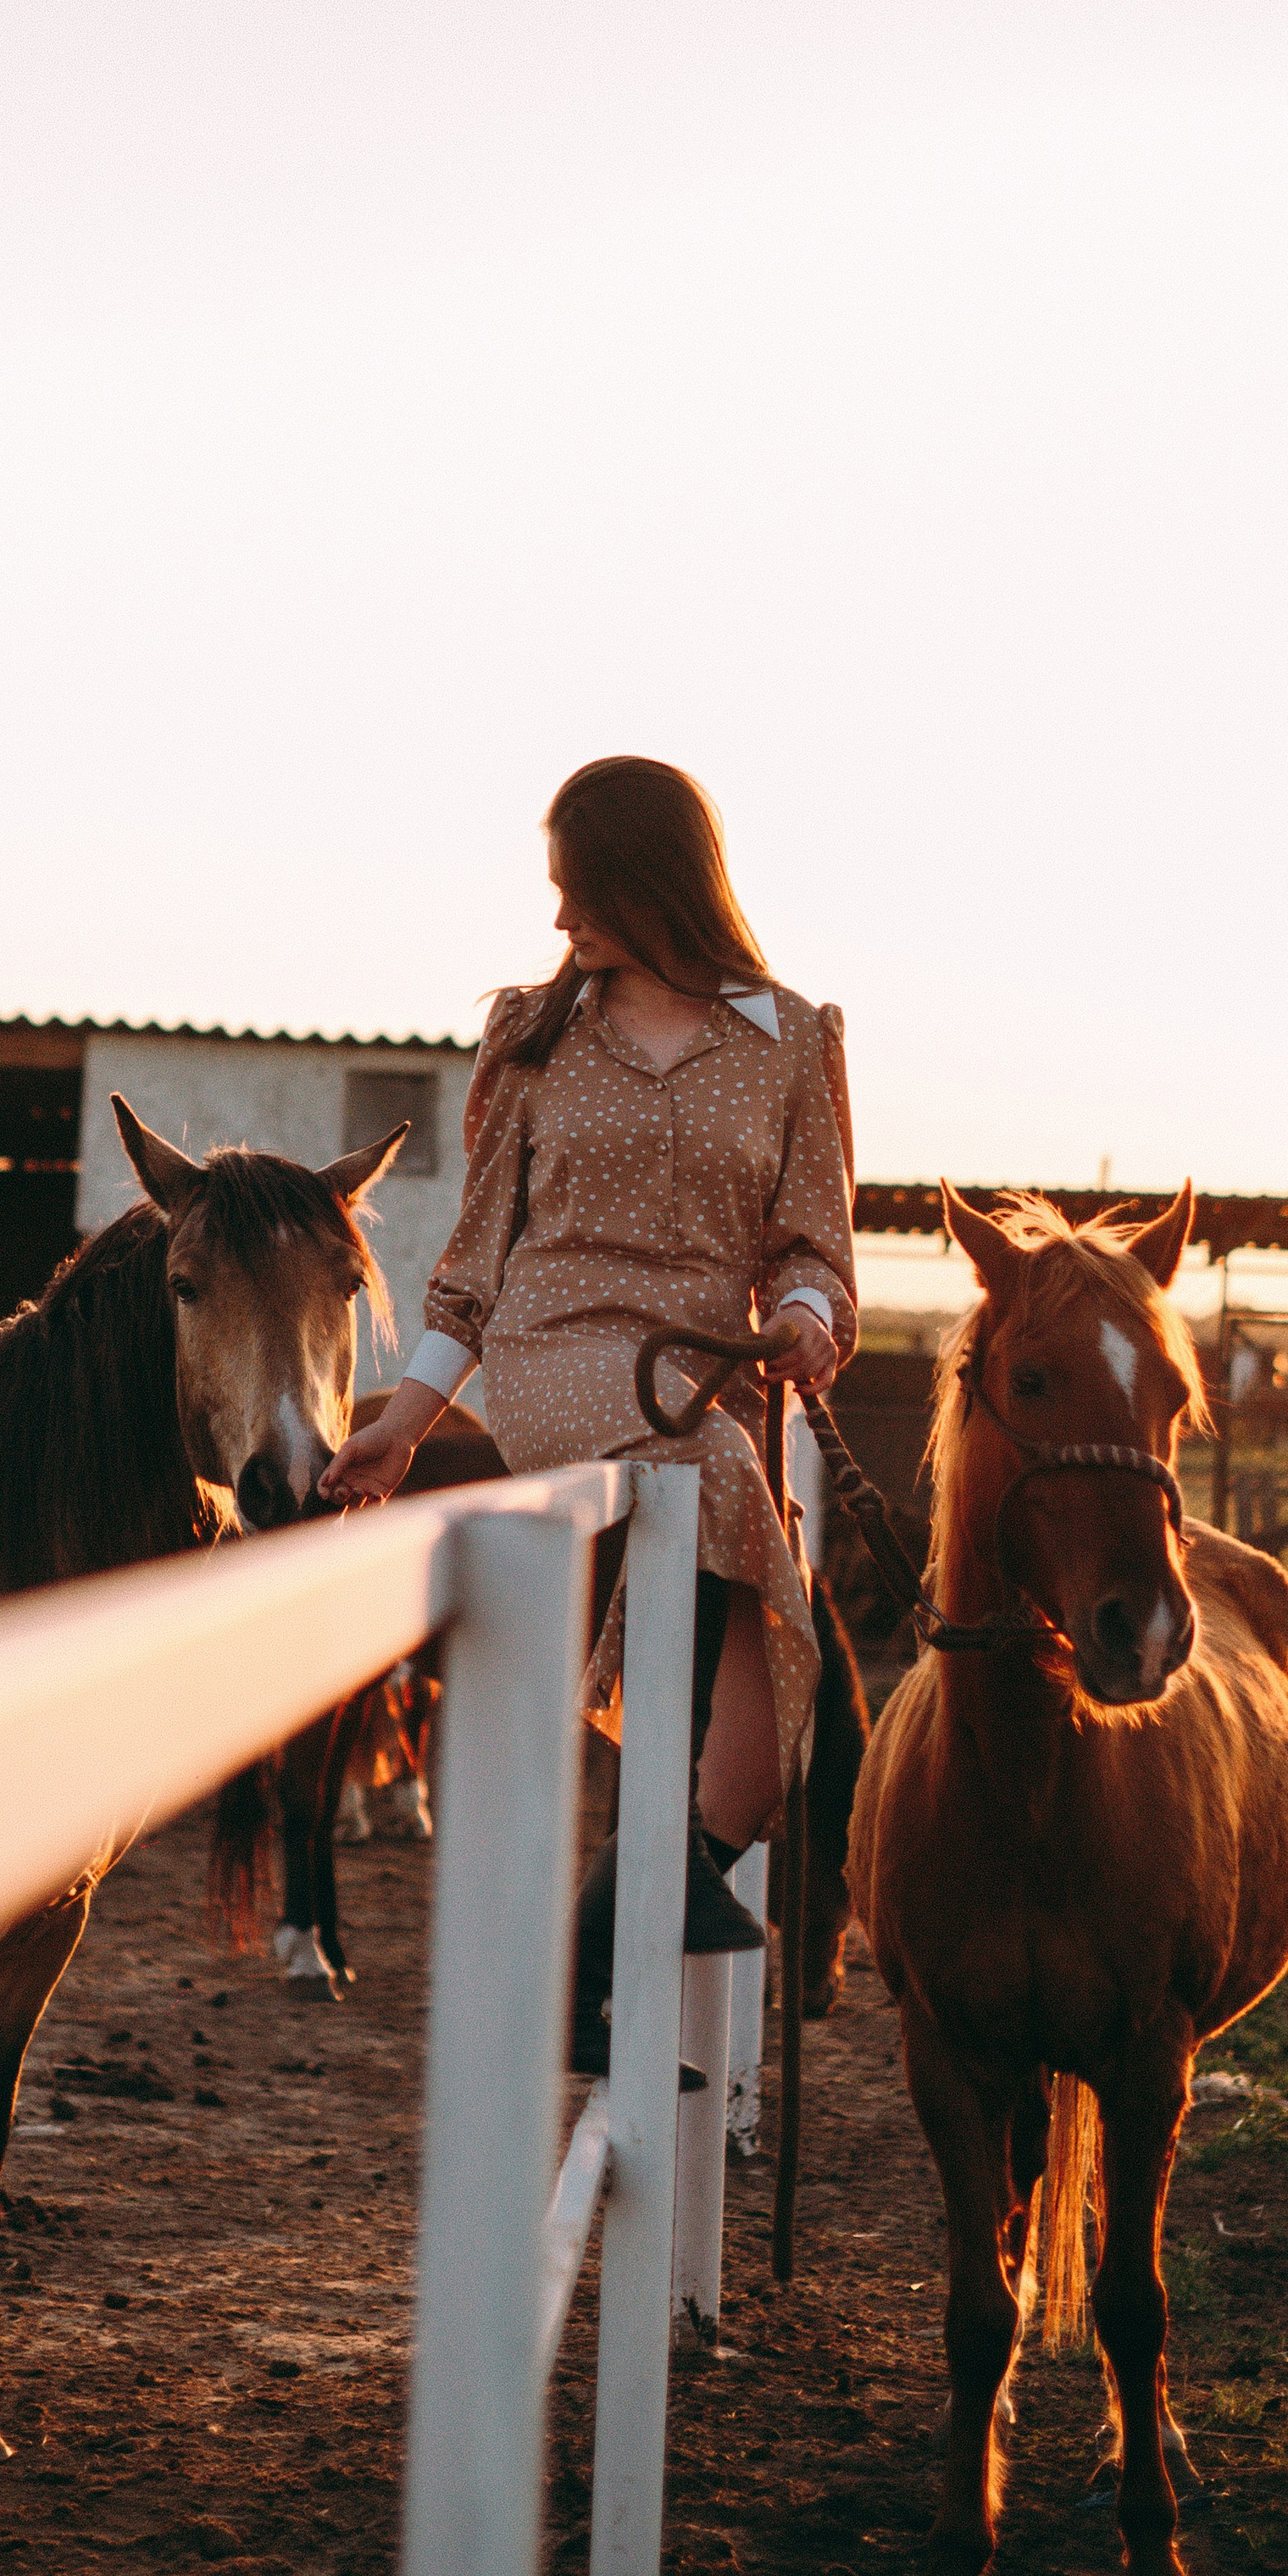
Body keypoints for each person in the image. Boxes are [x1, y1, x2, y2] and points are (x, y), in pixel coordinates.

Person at [320, 755, 858, 2074]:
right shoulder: (535, 1035)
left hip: (705, 1370)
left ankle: (617, 1928)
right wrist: (404, 1416)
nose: (561, 923)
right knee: (714, 1459)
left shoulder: (792, 1039)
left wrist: (809, 1318)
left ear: (651, 880)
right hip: (558, 1352)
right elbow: (475, 1260)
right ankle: (617, 1936)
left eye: (580, 892)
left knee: (785, 1710)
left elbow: (814, 1245)